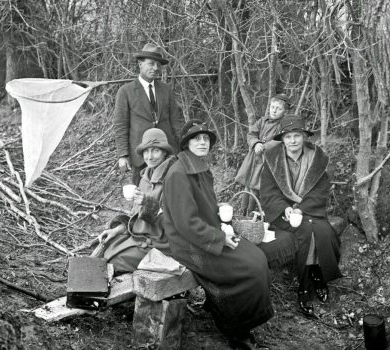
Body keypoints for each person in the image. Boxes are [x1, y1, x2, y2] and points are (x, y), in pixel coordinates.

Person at [163, 119, 273, 349]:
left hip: (207, 234)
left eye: (206, 139)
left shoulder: (201, 168)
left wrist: (223, 222)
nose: (203, 142)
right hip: (188, 244)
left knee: (257, 257)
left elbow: (205, 209)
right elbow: (186, 224)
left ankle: (226, 310)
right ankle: (237, 330)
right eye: (196, 138)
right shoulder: (178, 174)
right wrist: (220, 238)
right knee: (248, 270)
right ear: (186, 143)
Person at [260, 115, 342, 318]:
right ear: (282, 139)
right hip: (284, 214)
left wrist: (301, 208)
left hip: (310, 210)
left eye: (297, 135)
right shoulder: (272, 160)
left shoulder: (317, 160)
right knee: (306, 232)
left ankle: (316, 274)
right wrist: (285, 209)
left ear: (304, 137)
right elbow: (268, 192)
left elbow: (320, 190)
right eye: (288, 137)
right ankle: (305, 287)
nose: (293, 141)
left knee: (323, 232)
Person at [94, 128, 175, 274]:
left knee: (110, 264)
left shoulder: (173, 178)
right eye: (146, 151)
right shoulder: (146, 176)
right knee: (101, 248)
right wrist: (116, 230)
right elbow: (136, 216)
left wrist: (147, 203)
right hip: (139, 238)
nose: (149, 157)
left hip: (161, 246)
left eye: (155, 151)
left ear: (165, 152)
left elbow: (174, 224)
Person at [114, 43, 184, 185]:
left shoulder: (166, 90)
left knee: (168, 195)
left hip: (166, 154)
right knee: (141, 197)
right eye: (151, 64)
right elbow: (121, 125)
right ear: (140, 64)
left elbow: (176, 122)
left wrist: (183, 148)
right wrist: (123, 155)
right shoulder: (125, 92)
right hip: (141, 156)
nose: (156, 68)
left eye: (158, 64)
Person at [235, 94, 290, 214]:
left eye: (278, 109)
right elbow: (251, 134)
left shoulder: (282, 125)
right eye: (272, 107)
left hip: (267, 160)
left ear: (284, 112)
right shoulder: (262, 121)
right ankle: (241, 212)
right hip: (254, 157)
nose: (274, 110)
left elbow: (279, 140)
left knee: (256, 187)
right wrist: (255, 143)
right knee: (247, 184)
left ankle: (250, 213)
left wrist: (264, 147)